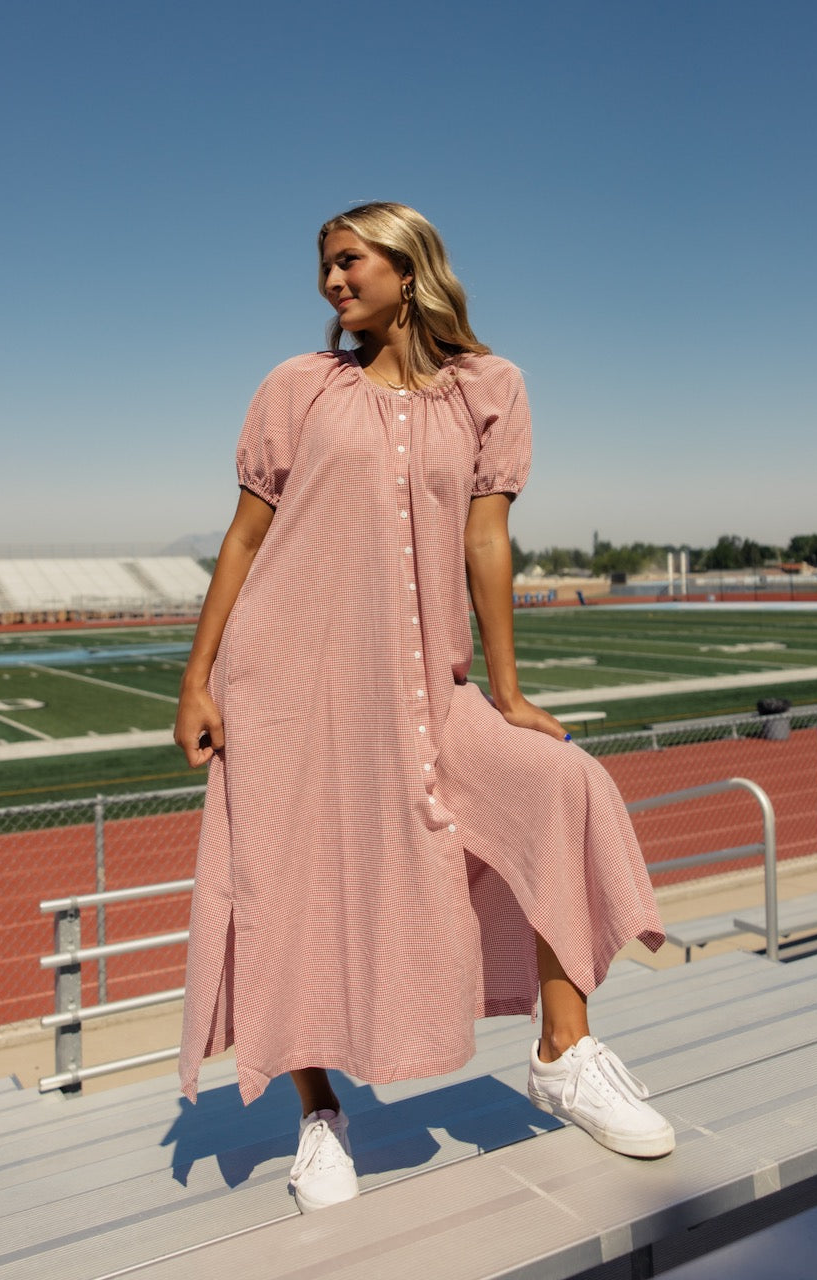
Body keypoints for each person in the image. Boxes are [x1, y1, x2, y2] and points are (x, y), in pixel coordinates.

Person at [174, 201, 673, 1215]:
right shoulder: (298, 389)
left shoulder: (490, 390)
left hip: (429, 683)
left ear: (408, 265)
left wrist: (506, 686)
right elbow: (244, 536)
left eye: (347, 260)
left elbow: (486, 540)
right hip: (292, 683)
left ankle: (564, 1050)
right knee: (296, 884)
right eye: (322, 268)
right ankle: (317, 1116)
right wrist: (197, 675)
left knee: (558, 783)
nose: (329, 282)